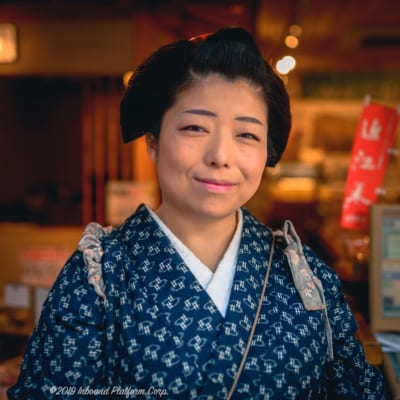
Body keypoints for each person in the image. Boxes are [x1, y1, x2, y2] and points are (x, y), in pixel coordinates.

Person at [8, 27, 385, 399]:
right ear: (152, 141)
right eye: (195, 127)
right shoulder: (98, 277)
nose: (220, 156)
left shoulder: (308, 278)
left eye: (247, 135)